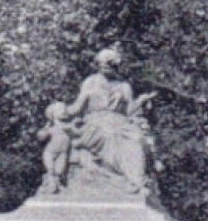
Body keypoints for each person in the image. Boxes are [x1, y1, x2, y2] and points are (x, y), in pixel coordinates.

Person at [59, 48, 155, 196]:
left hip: (121, 122)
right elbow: (77, 107)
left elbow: (130, 111)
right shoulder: (90, 82)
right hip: (95, 122)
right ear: (98, 65)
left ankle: (137, 182)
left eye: (110, 64)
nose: (106, 67)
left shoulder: (124, 86)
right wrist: (60, 110)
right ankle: (132, 182)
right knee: (110, 135)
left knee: (136, 139)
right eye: (103, 64)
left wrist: (140, 101)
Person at [36, 101, 73, 194]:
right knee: (51, 170)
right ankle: (50, 186)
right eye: (60, 109)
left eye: (64, 109)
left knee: (59, 171)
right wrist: (44, 131)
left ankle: (57, 187)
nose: (64, 111)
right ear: (53, 114)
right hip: (50, 152)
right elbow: (41, 136)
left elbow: (75, 132)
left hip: (63, 153)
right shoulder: (52, 127)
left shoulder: (68, 126)